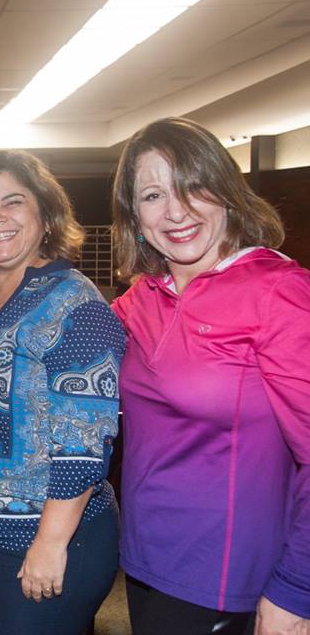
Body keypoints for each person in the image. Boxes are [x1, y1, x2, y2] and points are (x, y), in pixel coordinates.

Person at [111, 117, 310, 635]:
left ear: (226, 192)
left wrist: (297, 589)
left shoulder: (278, 292)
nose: (176, 211)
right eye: (153, 195)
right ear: (134, 215)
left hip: (226, 574)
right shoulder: (143, 297)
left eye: (193, 187)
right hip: (145, 556)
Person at [0, 150, 125, 634]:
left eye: (12, 202)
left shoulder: (76, 305)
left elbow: (84, 443)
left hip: (41, 535)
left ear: (46, 214)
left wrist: (51, 543)